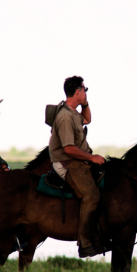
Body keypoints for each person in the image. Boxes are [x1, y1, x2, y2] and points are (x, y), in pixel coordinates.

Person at [49, 76, 106, 258]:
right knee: (91, 195)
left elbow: (87, 119)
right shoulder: (65, 116)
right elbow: (68, 148)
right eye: (84, 90)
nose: (86, 92)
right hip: (68, 163)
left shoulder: (73, 111)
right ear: (78, 91)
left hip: (79, 160)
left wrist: (85, 103)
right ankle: (85, 243)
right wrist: (91, 157)